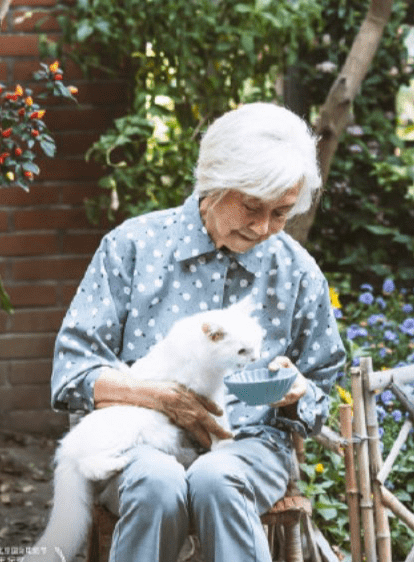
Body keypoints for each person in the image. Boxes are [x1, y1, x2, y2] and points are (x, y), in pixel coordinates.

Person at [50, 102, 347, 561]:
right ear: (214, 183)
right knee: (156, 482)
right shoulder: (132, 247)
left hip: (248, 447)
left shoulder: (297, 271)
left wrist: (298, 393)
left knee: (217, 479)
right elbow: (73, 373)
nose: (264, 227)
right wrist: (162, 398)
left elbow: (322, 386)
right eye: (252, 206)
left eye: (282, 213)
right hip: (140, 443)